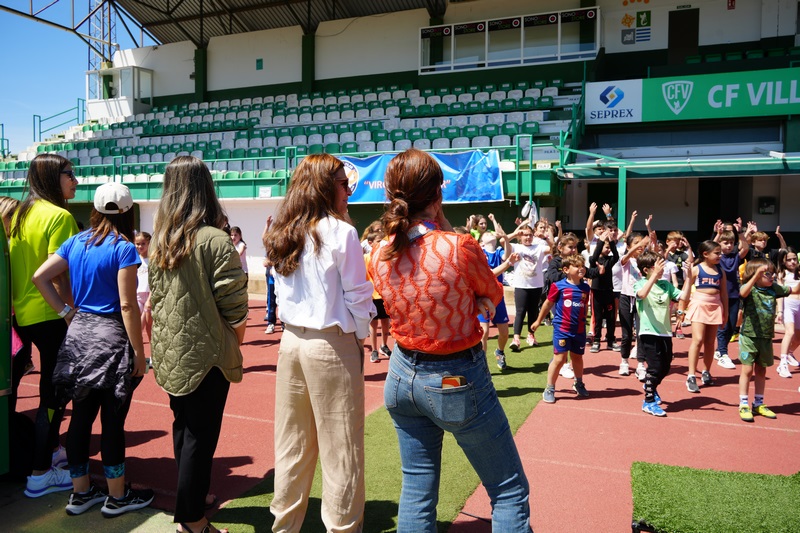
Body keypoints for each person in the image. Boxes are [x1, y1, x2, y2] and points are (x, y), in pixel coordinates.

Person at [369, 149, 531, 532]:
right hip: (455, 377)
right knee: (508, 489)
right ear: (438, 194)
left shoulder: (378, 254)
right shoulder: (459, 246)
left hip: (401, 376)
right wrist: (471, 297)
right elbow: (491, 294)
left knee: (417, 491)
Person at [265, 153, 375, 532]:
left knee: (291, 446)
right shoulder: (342, 232)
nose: (349, 192)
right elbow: (358, 295)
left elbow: (279, 293)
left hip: (291, 342)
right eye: (344, 185)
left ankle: (285, 526)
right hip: (331, 344)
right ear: (325, 188)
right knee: (341, 449)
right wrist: (360, 337)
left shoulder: (283, 230)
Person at [32, 182, 154, 516]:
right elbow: (127, 305)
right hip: (111, 337)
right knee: (112, 421)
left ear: (96, 210)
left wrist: (66, 312)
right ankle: (117, 496)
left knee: (81, 417)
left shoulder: (76, 241)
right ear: (128, 212)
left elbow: (40, 277)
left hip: (79, 335)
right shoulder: (124, 248)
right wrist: (139, 353)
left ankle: (81, 492)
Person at [148, 156, 249, 533]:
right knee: (199, 438)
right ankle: (191, 521)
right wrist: (234, 340)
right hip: (207, 356)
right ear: (205, 188)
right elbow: (235, 307)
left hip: (170, 350)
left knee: (185, 430)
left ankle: (193, 498)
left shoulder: (160, 240)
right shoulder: (215, 239)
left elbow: (156, 297)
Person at [10, 153, 79, 497]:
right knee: (53, 396)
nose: (76, 181)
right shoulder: (59, 216)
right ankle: (40, 474)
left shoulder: (21, 214)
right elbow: (59, 275)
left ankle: (50, 452)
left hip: (22, 316)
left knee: (46, 393)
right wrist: (70, 312)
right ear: (53, 177)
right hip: (52, 316)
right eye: (70, 174)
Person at [736, 258, 800, 421]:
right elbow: (742, 292)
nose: (772, 277)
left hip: (766, 337)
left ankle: (758, 403)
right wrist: (756, 275)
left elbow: (794, 290)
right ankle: (743, 404)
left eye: (772, 273)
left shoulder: (774, 288)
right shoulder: (750, 288)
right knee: (747, 370)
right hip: (749, 336)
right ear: (756, 275)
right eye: (768, 274)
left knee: (761, 370)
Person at [533, 254, 592, 403]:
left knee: (577, 357)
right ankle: (550, 388)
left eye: (582, 266)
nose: (581, 269)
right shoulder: (558, 286)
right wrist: (538, 320)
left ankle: (579, 383)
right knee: (559, 359)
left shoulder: (586, 288)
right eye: (577, 266)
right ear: (566, 270)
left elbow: (584, 306)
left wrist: (584, 321)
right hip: (562, 329)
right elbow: (548, 303)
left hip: (579, 330)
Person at [634, 251, 683, 417]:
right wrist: (654, 275)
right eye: (658, 266)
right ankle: (648, 402)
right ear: (647, 269)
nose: (662, 269)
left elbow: (683, 296)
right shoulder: (640, 283)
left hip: (665, 332)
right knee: (654, 367)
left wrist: (690, 277)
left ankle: (651, 385)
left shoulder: (666, 285)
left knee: (666, 366)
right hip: (648, 332)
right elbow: (641, 295)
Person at [679, 240, 728, 393]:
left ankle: (706, 371)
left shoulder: (720, 271)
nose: (720, 256)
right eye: (717, 253)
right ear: (705, 254)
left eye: (720, 253)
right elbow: (686, 290)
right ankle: (691, 375)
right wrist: (681, 310)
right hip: (699, 304)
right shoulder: (696, 269)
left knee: (710, 342)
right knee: (698, 340)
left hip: (715, 306)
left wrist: (725, 312)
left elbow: (724, 293)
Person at [713, 219, 755, 369]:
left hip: (734, 294)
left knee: (732, 326)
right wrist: (718, 235)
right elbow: (710, 247)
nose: (729, 245)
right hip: (721, 295)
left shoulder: (735, 257)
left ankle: (719, 350)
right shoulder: (717, 258)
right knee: (723, 326)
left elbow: (745, 248)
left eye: (731, 243)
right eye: (726, 243)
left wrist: (740, 233)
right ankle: (723, 354)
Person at [507, 220, 551, 351]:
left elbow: (552, 248)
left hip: (536, 285)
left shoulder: (539, 247)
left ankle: (531, 335)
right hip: (521, 284)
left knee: (533, 311)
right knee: (520, 311)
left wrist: (546, 237)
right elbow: (503, 241)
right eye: (525, 235)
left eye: (530, 235)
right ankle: (516, 338)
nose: (528, 237)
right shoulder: (516, 247)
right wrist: (515, 233)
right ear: (520, 237)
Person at [620, 233, 650, 380]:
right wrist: (639, 244)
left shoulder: (645, 260)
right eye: (636, 243)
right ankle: (624, 361)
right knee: (626, 334)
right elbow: (625, 258)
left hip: (641, 299)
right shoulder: (626, 260)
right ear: (628, 246)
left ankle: (640, 364)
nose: (640, 246)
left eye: (642, 244)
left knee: (641, 333)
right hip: (626, 298)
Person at [588, 229, 619, 353]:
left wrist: (611, 241)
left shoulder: (610, 260)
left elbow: (616, 256)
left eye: (609, 248)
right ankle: (596, 340)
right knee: (598, 317)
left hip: (608, 291)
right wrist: (601, 241)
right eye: (606, 247)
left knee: (611, 317)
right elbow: (594, 256)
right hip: (596, 292)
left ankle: (611, 340)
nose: (608, 250)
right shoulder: (593, 259)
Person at [364, 229, 393, 363]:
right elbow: (363, 276)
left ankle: (384, 346)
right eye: (378, 241)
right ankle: (374, 349)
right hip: (372, 295)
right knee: (374, 323)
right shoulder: (366, 258)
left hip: (384, 295)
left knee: (385, 321)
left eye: (383, 241)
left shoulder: (386, 257)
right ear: (370, 243)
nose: (382, 243)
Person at [776, 248, 800, 377]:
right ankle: (783, 364)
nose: (792, 262)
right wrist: (780, 311)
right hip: (789, 305)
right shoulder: (782, 274)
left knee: (798, 337)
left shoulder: (799, 272)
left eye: (794, 259)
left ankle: (790, 353)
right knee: (790, 332)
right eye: (789, 260)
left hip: (799, 306)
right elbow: (780, 294)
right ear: (783, 262)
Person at [134, 231, 152, 346]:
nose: (140, 246)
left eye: (143, 244)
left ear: (149, 243)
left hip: (149, 295)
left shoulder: (152, 259)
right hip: (138, 295)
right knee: (137, 324)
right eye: (137, 244)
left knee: (149, 325)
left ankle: (153, 351)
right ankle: (136, 348)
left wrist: (150, 299)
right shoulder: (134, 259)